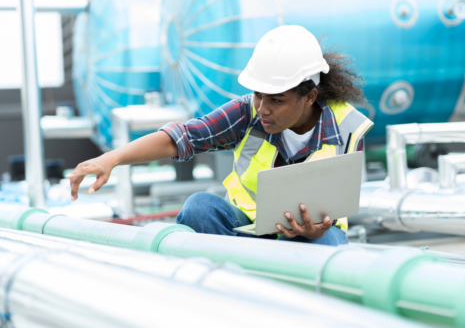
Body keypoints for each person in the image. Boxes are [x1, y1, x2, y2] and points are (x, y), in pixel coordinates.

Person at [67, 25, 373, 246]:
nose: (263, 109)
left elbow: (334, 213)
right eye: (258, 95)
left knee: (329, 246)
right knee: (200, 207)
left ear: (309, 97)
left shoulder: (347, 129)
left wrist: (313, 230)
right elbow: (184, 137)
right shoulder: (246, 113)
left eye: (276, 100)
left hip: (314, 238)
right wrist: (113, 158)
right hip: (247, 231)